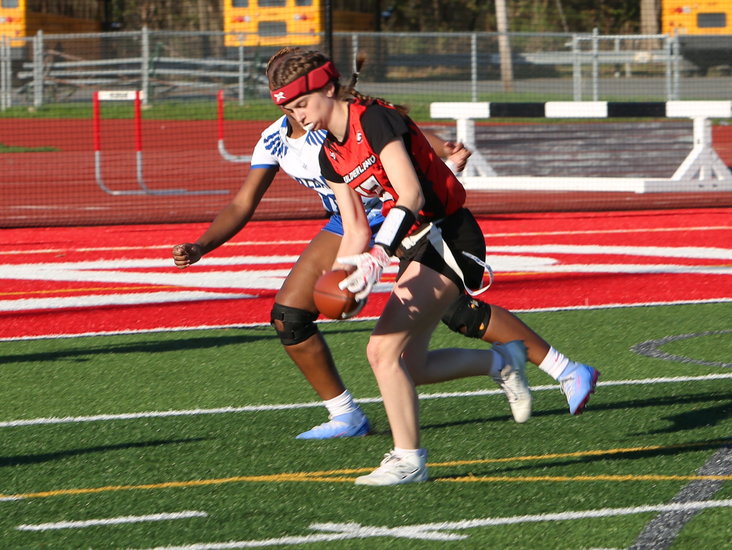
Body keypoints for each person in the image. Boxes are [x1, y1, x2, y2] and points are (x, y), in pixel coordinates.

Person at [267, 48, 599, 485]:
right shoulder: (329, 154)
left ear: (328, 88)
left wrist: (378, 255)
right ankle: (503, 360)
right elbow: (355, 227)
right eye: (290, 110)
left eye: (302, 104)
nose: (299, 116)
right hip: (414, 244)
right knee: (412, 364)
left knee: (381, 352)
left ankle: (408, 460)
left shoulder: (373, 119)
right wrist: (349, 274)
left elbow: (411, 194)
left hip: (448, 236)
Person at [172, 49, 474, 440]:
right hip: (350, 223)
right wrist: (202, 245)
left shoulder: (340, 117)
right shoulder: (278, 140)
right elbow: (244, 203)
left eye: (296, 96)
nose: (295, 109)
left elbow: (393, 131)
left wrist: (441, 147)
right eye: (285, 100)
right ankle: (346, 415)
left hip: (397, 214)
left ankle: (535, 361)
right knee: (290, 317)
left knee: (453, 311)